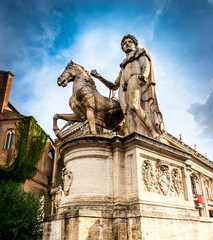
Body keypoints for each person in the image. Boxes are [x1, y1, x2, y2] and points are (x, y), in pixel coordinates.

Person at [91, 34, 163, 138]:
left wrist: (144, 76)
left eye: (130, 42)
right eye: (124, 44)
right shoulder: (123, 66)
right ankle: (133, 137)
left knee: (134, 105)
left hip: (135, 79)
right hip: (123, 88)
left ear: (135, 44)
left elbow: (146, 66)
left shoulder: (140, 53)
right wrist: (99, 77)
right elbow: (114, 86)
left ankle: (153, 132)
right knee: (126, 113)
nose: (127, 44)